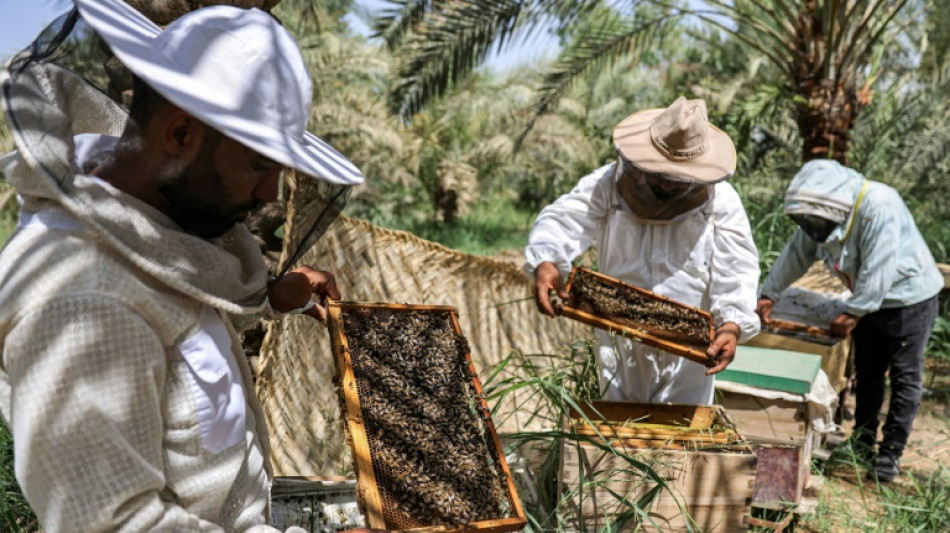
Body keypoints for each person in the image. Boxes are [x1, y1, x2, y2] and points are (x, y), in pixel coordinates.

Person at [0, 1, 372, 531]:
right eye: (261, 166)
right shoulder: (82, 303)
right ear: (179, 135)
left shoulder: (146, 233)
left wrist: (269, 300)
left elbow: (175, 337)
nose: (270, 193)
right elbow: (116, 524)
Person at [525, 97, 761, 405]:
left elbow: (738, 267)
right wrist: (546, 261)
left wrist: (731, 325)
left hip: (688, 358)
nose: (667, 186)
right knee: (618, 427)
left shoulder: (722, 202)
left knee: (681, 432)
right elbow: (562, 220)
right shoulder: (607, 183)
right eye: (659, 174)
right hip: (619, 345)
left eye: (677, 179)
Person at [757, 159, 944, 482]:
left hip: (910, 301)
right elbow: (797, 253)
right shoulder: (821, 217)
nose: (811, 225)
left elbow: (879, 267)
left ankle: (890, 454)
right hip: (867, 303)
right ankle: (862, 443)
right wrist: (769, 294)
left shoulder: (878, 206)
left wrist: (854, 312)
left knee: (905, 378)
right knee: (869, 374)